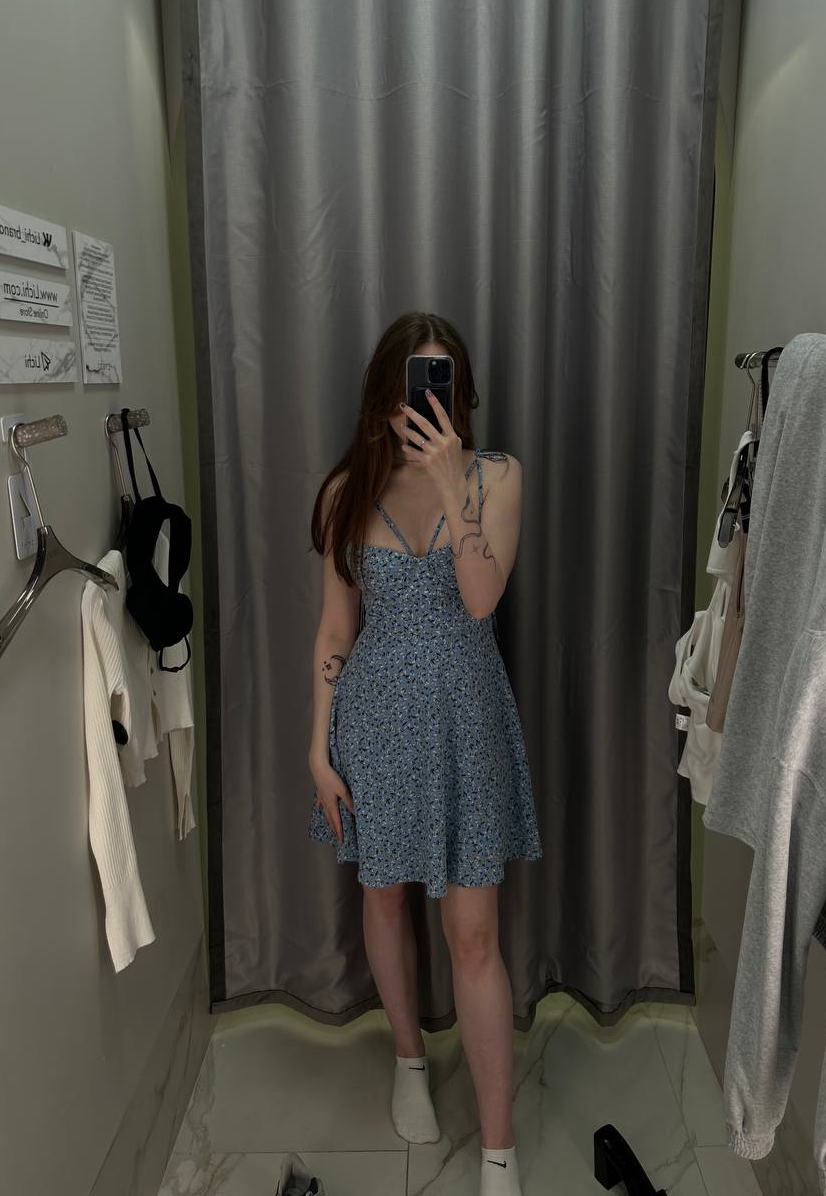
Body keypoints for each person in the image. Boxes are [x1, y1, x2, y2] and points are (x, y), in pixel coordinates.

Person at [307, 312, 543, 1196]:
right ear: (385, 396)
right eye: (416, 384)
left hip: (467, 726)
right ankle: (409, 1059)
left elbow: (480, 601)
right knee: (383, 896)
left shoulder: (497, 477)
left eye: (444, 385)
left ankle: (498, 1148)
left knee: (473, 935)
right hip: (372, 722)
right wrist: (318, 750)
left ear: (462, 397)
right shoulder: (346, 493)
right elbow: (335, 630)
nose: (431, 404)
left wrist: (451, 487)